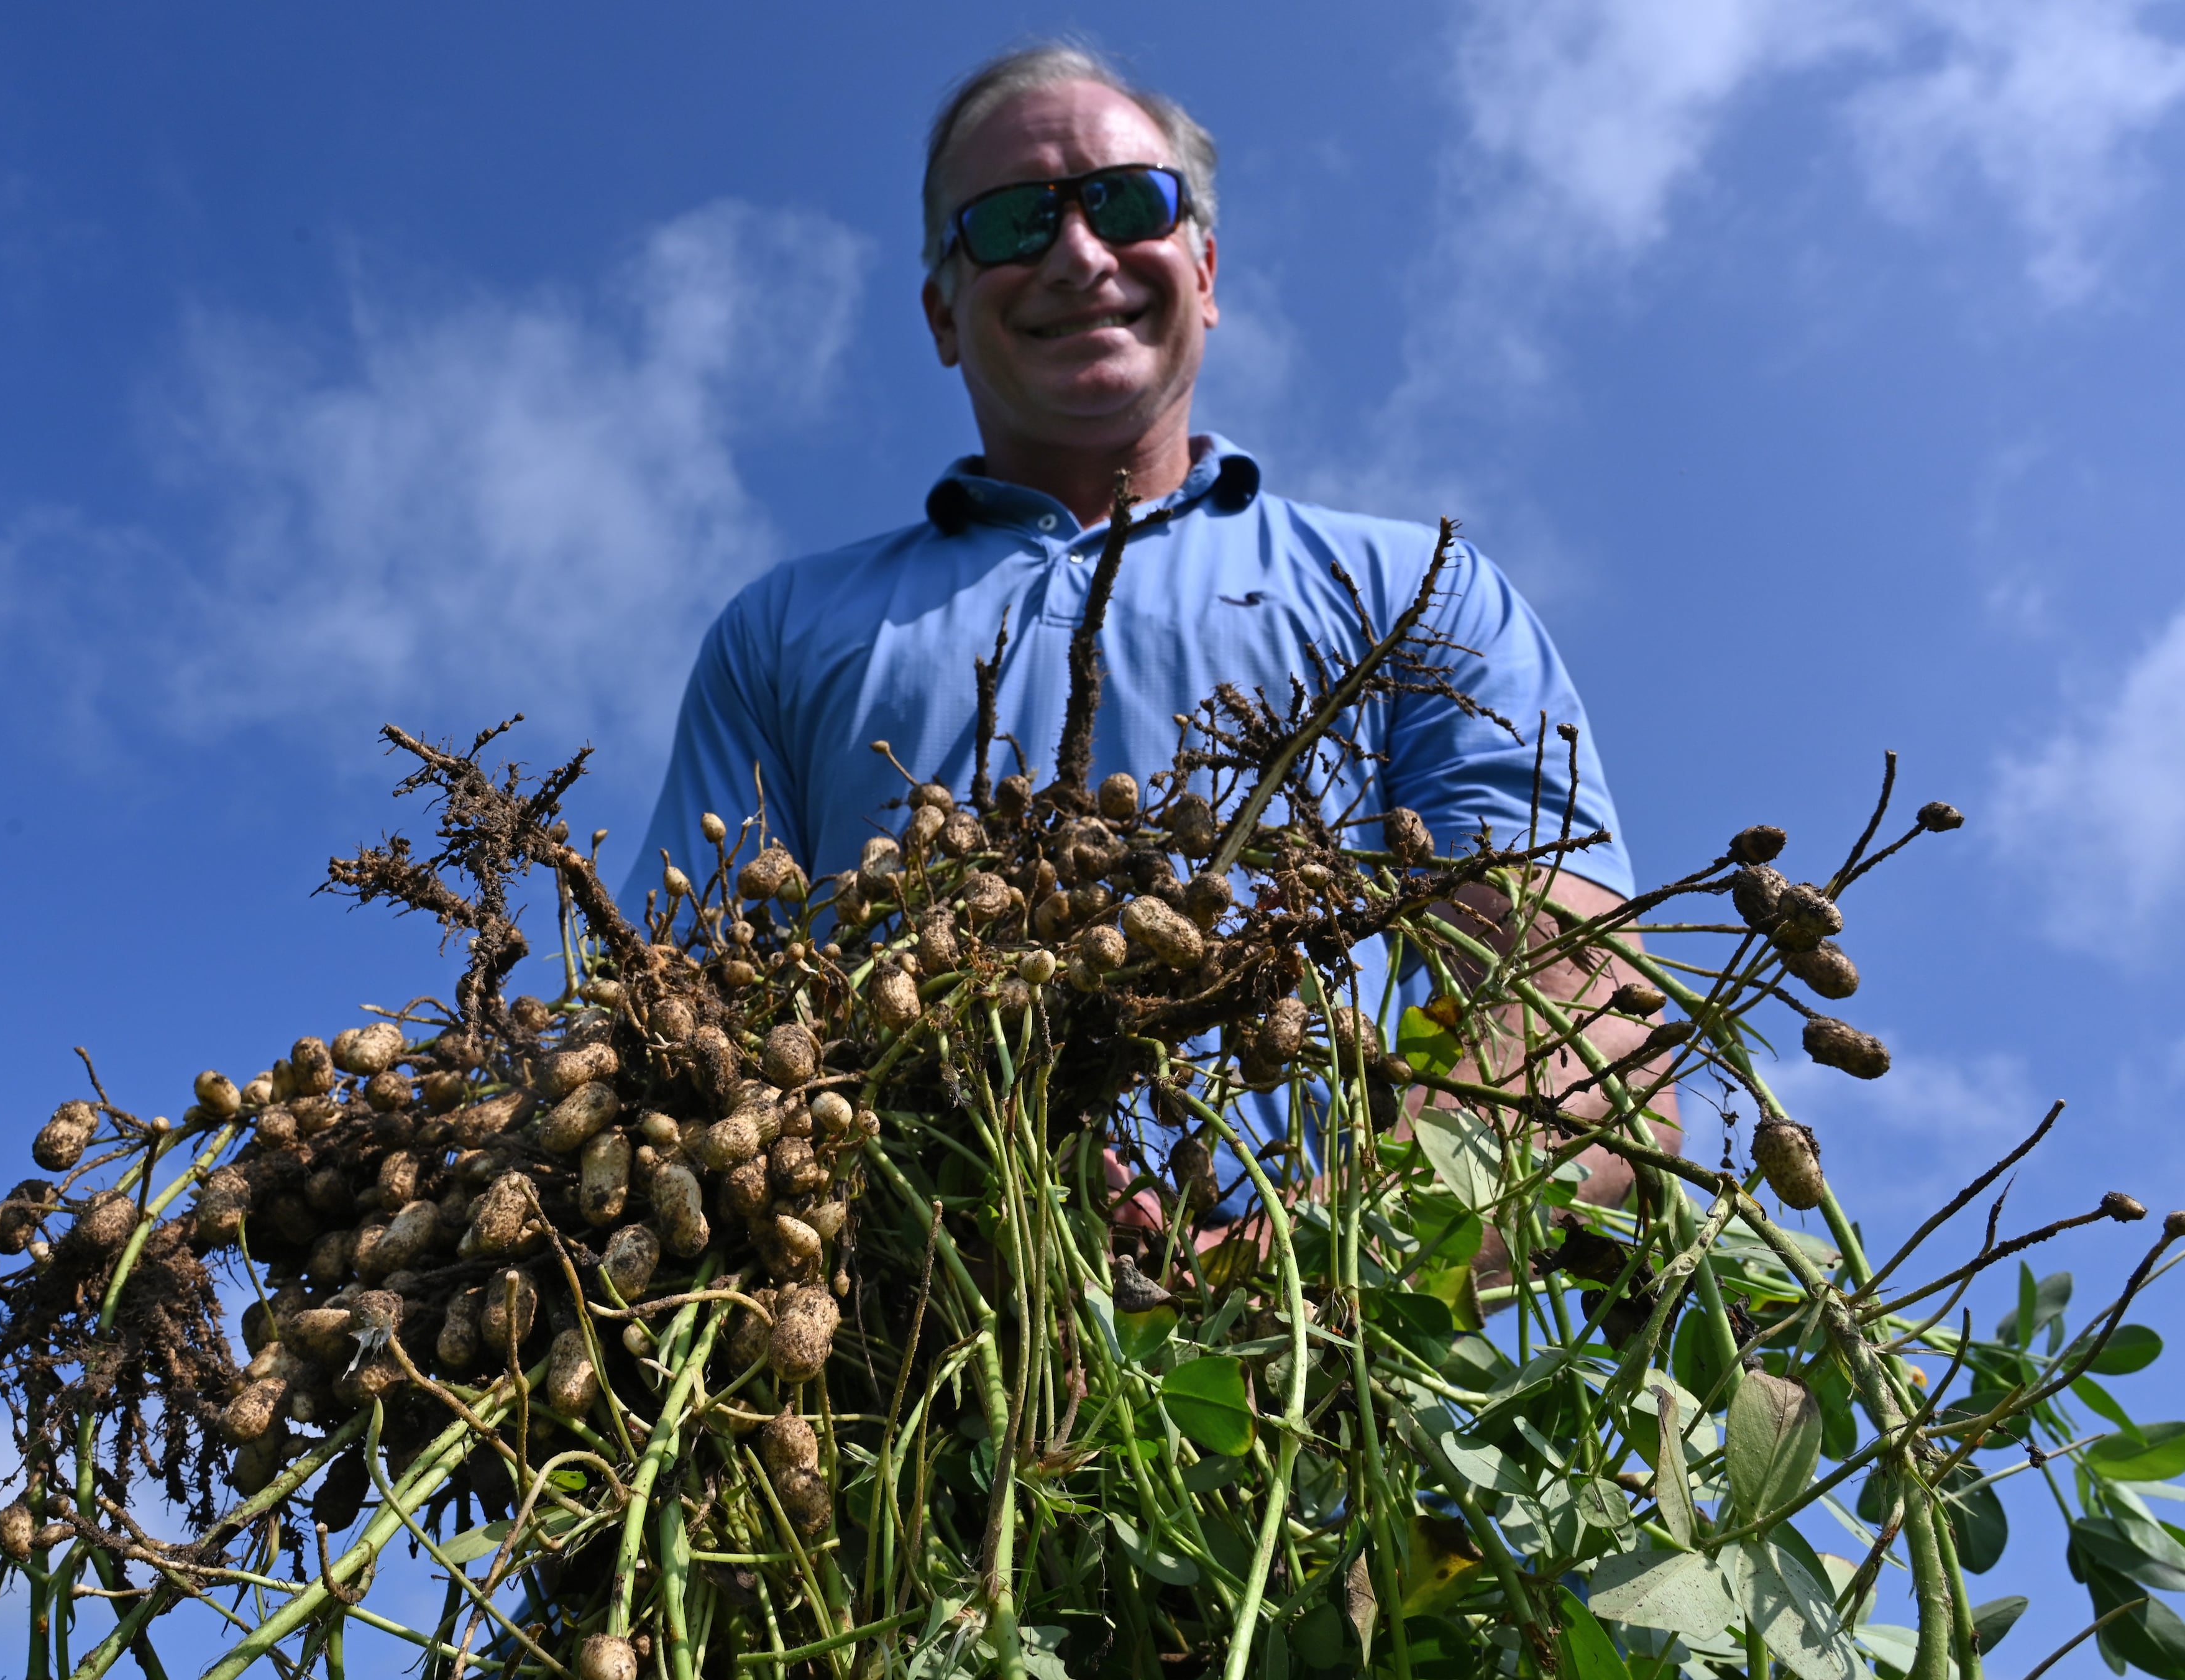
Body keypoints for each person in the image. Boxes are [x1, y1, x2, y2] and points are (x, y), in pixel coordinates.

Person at [633, 44, 1668, 1209]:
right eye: (1015, 221)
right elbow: (657, 1030)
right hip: (873, 1348)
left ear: (1207, 267)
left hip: (1330, 1364)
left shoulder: (1412, 591)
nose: (1077, 254)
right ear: (941, 312)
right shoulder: (785, 629)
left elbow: (1586, 1028)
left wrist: (1313, 1270)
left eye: (1125, 202)